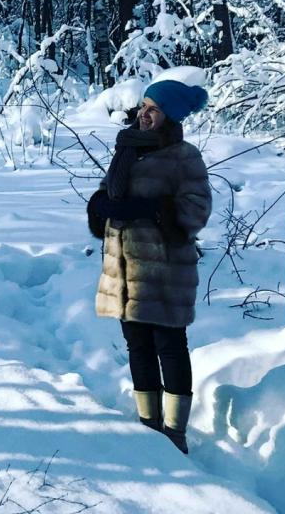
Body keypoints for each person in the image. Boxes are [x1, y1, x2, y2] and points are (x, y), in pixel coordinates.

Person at [87, 79, 212, 453]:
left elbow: (196, 211)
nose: (144, 114)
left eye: (153, 109)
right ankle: (148, 424)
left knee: (169, 346)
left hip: (164, 272)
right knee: (137, 346)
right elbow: (111, 193)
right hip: (125, 272)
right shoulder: (128, 151)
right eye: (143, 106)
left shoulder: (184, 156)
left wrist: (153, 211)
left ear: (169, 115)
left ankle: (174, 432)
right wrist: (99, 206)